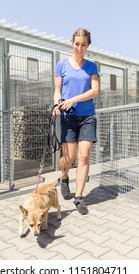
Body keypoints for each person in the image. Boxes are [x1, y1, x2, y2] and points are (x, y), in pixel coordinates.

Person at [52, 28, 99, 215]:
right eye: (77, 44)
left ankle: (79, 197)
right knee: (69, 158)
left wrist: (74, 99)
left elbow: (95, 91)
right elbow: (57, 90)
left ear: (88, 45)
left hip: (87, 116)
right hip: (68, 117)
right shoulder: (61, 65)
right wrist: (57, 103)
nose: (80, 48)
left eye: (84, 44)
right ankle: (64, 177)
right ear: (72, 43)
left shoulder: (92, 67)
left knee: (84, 155)